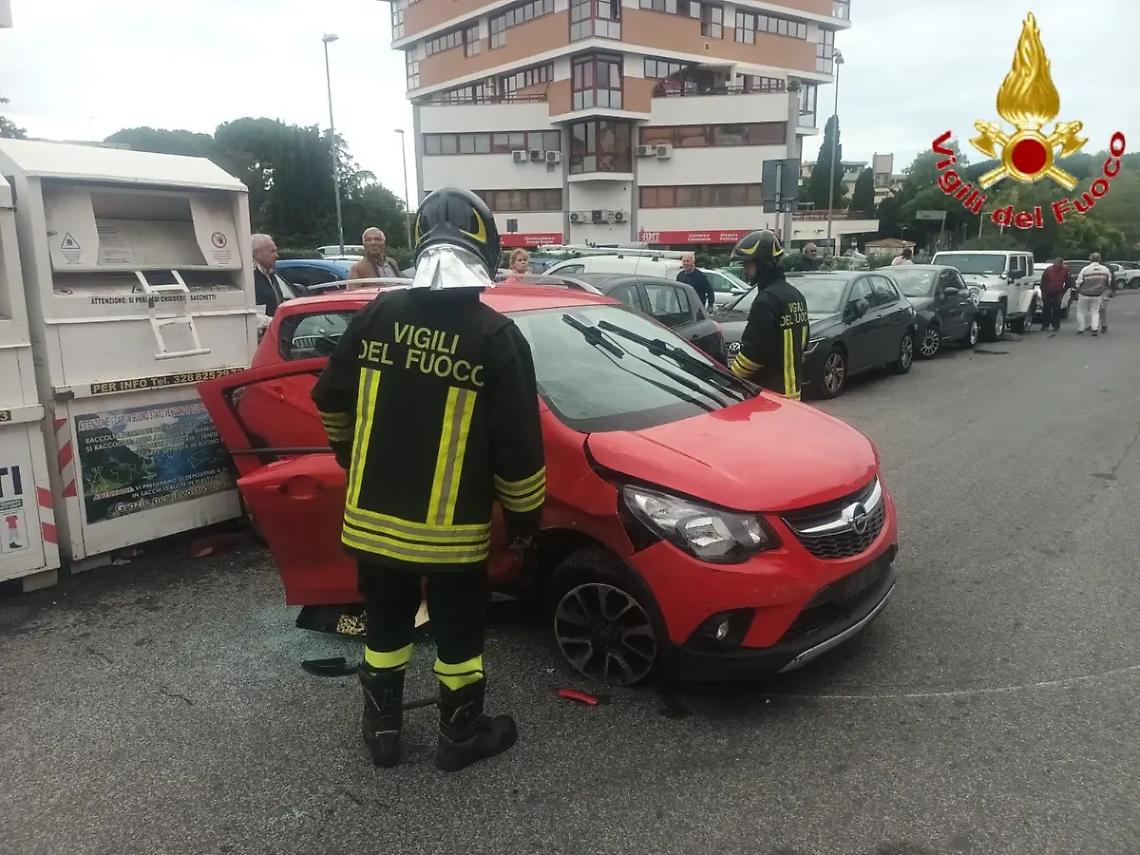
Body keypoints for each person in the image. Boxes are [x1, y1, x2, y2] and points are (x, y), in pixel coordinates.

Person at [312, 187, 545, 773]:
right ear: (486, 250)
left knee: (386, 623)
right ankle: (460, 735)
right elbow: (519, 448)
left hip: (372, 523)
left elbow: (330, 401)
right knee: (459, 636)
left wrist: (350, 457)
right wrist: (524, 526)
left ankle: (382, 732)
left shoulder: (375, 316)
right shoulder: (494, 336)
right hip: (452, 535)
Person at [726, 230, 809, 399]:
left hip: (770, 395)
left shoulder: (765, 301)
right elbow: (804, 342)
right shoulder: (796, 295)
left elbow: (755, 353)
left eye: (748, 264)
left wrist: (731, 376)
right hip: (793, 393)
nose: (745, 269)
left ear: (763, 263)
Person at [251, 233, 300, 316]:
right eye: (272, 252)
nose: (277, 255)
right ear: (257, 254)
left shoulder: (271, 273)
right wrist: (272, 322)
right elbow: (253, 316)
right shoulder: (249, 278)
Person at [1075, 252, 1112, 336]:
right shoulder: (1105, 269)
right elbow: (1108, 282)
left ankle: (1081, 329)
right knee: (1095, 312)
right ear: (1099, 259)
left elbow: (1079, 282)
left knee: (1081, 311)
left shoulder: (1085, 269)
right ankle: (1094, 329)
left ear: (1090, 259)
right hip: (1097, 294)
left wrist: (1078, 288)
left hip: (1084, 294)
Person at [1038, 257, 1070, 337]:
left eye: (1059, 264)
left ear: (1062, 264)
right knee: (1046, 309)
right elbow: (1043, 282)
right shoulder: (1048, 270)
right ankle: (1045, 325)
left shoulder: (1065, 270)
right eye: (1056, 263)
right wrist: (1043, 293)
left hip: (1058, 292)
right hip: (1047, 292)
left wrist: (1063, 292)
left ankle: (1056, 326)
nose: (1057, 265)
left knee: (1057, 310)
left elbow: (1068, 282)